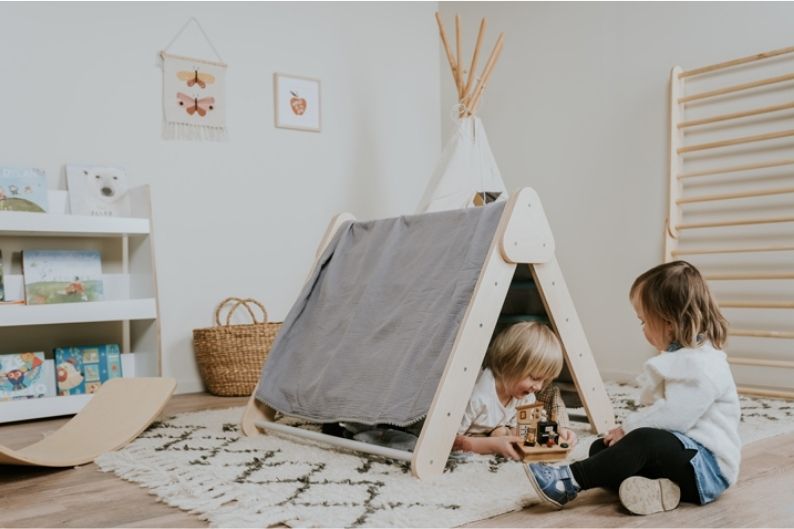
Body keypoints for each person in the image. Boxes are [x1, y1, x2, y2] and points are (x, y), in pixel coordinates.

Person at [525, 261, 741, 515]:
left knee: (642, 440)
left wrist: (628, 429)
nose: (643, 329)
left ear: (669, 322)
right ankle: (658, 489)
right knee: (602, 448)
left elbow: (673, 417)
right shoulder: (687, 357)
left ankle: (568, 482)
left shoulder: (704, 366)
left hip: (706, 469)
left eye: (644, 321)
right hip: (683, 457)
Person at [453, 321, 576, 460]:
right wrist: (492, 445)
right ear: (508, 364)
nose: (539, 387)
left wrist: (556, 431)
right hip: (466, 435)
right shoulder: (476, 396)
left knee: (510, 432)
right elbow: (450, 442)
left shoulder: (526, 395)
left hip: (493, 429)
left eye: (544, 380)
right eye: (535, 378)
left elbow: (526, 429)